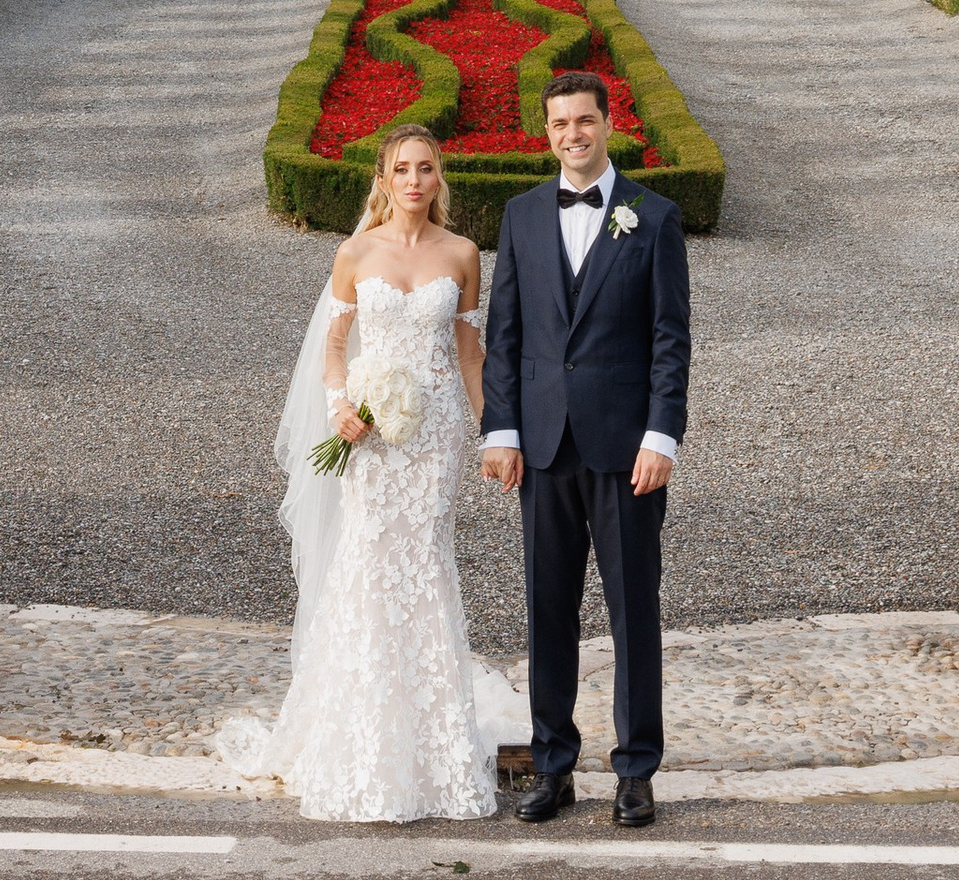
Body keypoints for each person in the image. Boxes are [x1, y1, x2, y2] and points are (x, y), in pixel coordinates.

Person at [228, 125, 495, 821]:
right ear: (382, 178)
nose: (413, 180)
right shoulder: (354, 252)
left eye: (425, 168)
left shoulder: (464, 255)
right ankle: (361, 744)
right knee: (370, 564)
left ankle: (436, 754)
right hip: (372, 439)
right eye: (401, 169)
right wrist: (342, 406)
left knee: (427, 568)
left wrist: (494, 430)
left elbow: (469, 355)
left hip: (434, 438)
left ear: (440, 178)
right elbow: (334, 347)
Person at [481, 68, 690, 827]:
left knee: (634, 610)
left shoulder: (653, 217)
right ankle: (554, 764)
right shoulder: (521, 215)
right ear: (547, 132)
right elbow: (504, 336)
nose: (574, 133)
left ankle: (636, 771)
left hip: (627, 449)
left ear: (609, 124)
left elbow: (672, 341)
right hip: (542, 448)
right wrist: (500, 431)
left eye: (586, 121)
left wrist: (662, 435)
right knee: (548, 611)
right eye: (560, 123)